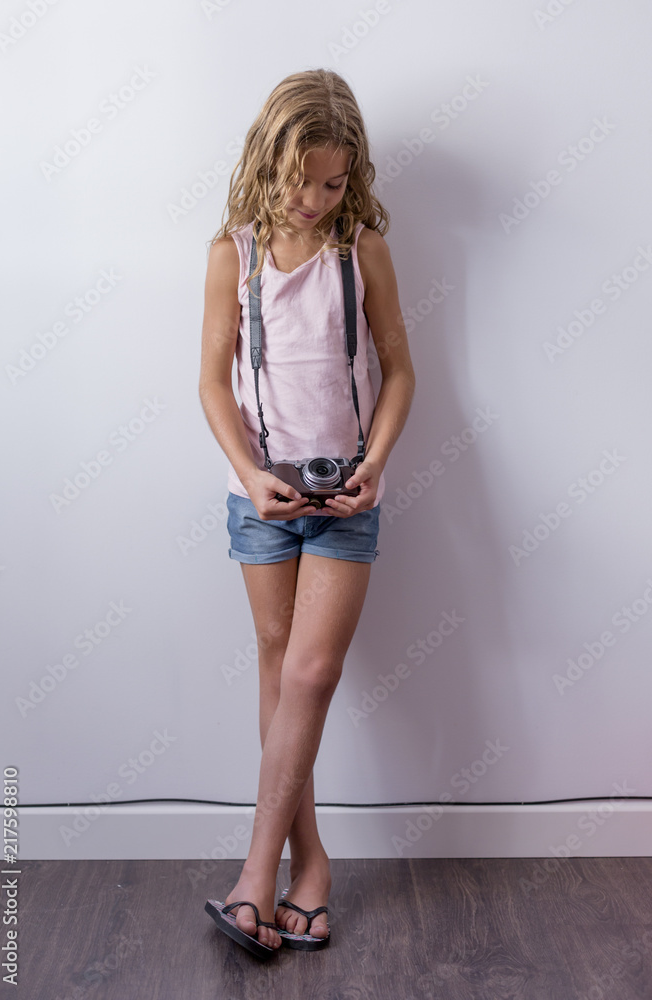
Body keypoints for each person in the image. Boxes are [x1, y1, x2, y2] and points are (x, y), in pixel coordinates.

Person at [199, 68, 415, 958]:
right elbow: (211, 382)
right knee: (279, 668)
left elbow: (399, 370)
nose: (315, 200)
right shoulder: (232, 254)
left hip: (344, 497)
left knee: (311, 675)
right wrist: (249, 475)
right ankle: (310, 866)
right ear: (268, 161)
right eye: (302, 182)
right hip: (261, 495)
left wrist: (373, 465)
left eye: (333, 183)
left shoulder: (359, 249)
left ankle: (254, 877)